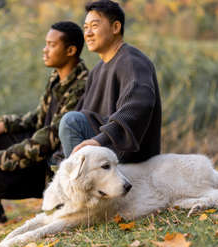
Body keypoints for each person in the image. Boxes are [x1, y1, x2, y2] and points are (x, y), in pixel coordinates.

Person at [0, 21, 88, 225]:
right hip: (39, 148)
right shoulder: (57, 76)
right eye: (46, 44)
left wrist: (0, 159)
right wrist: (6, 125)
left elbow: (49, 139)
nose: (45, 50)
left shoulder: (81, 85)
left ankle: (50, 196)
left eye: (52, 45)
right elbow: (39, 117)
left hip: (50, 162)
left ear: (71, 50)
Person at [59, 0, 161, 164]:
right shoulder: (97, 70)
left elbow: (140, 105)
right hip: (104, 145)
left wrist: (101, 139)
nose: (88, 33)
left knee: (71, 121)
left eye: (94, 26)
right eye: (85, 28)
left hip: (128, 153)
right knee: (70, 123)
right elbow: (85, 114)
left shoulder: (133, 61)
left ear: (115, 27)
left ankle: (80, 186)